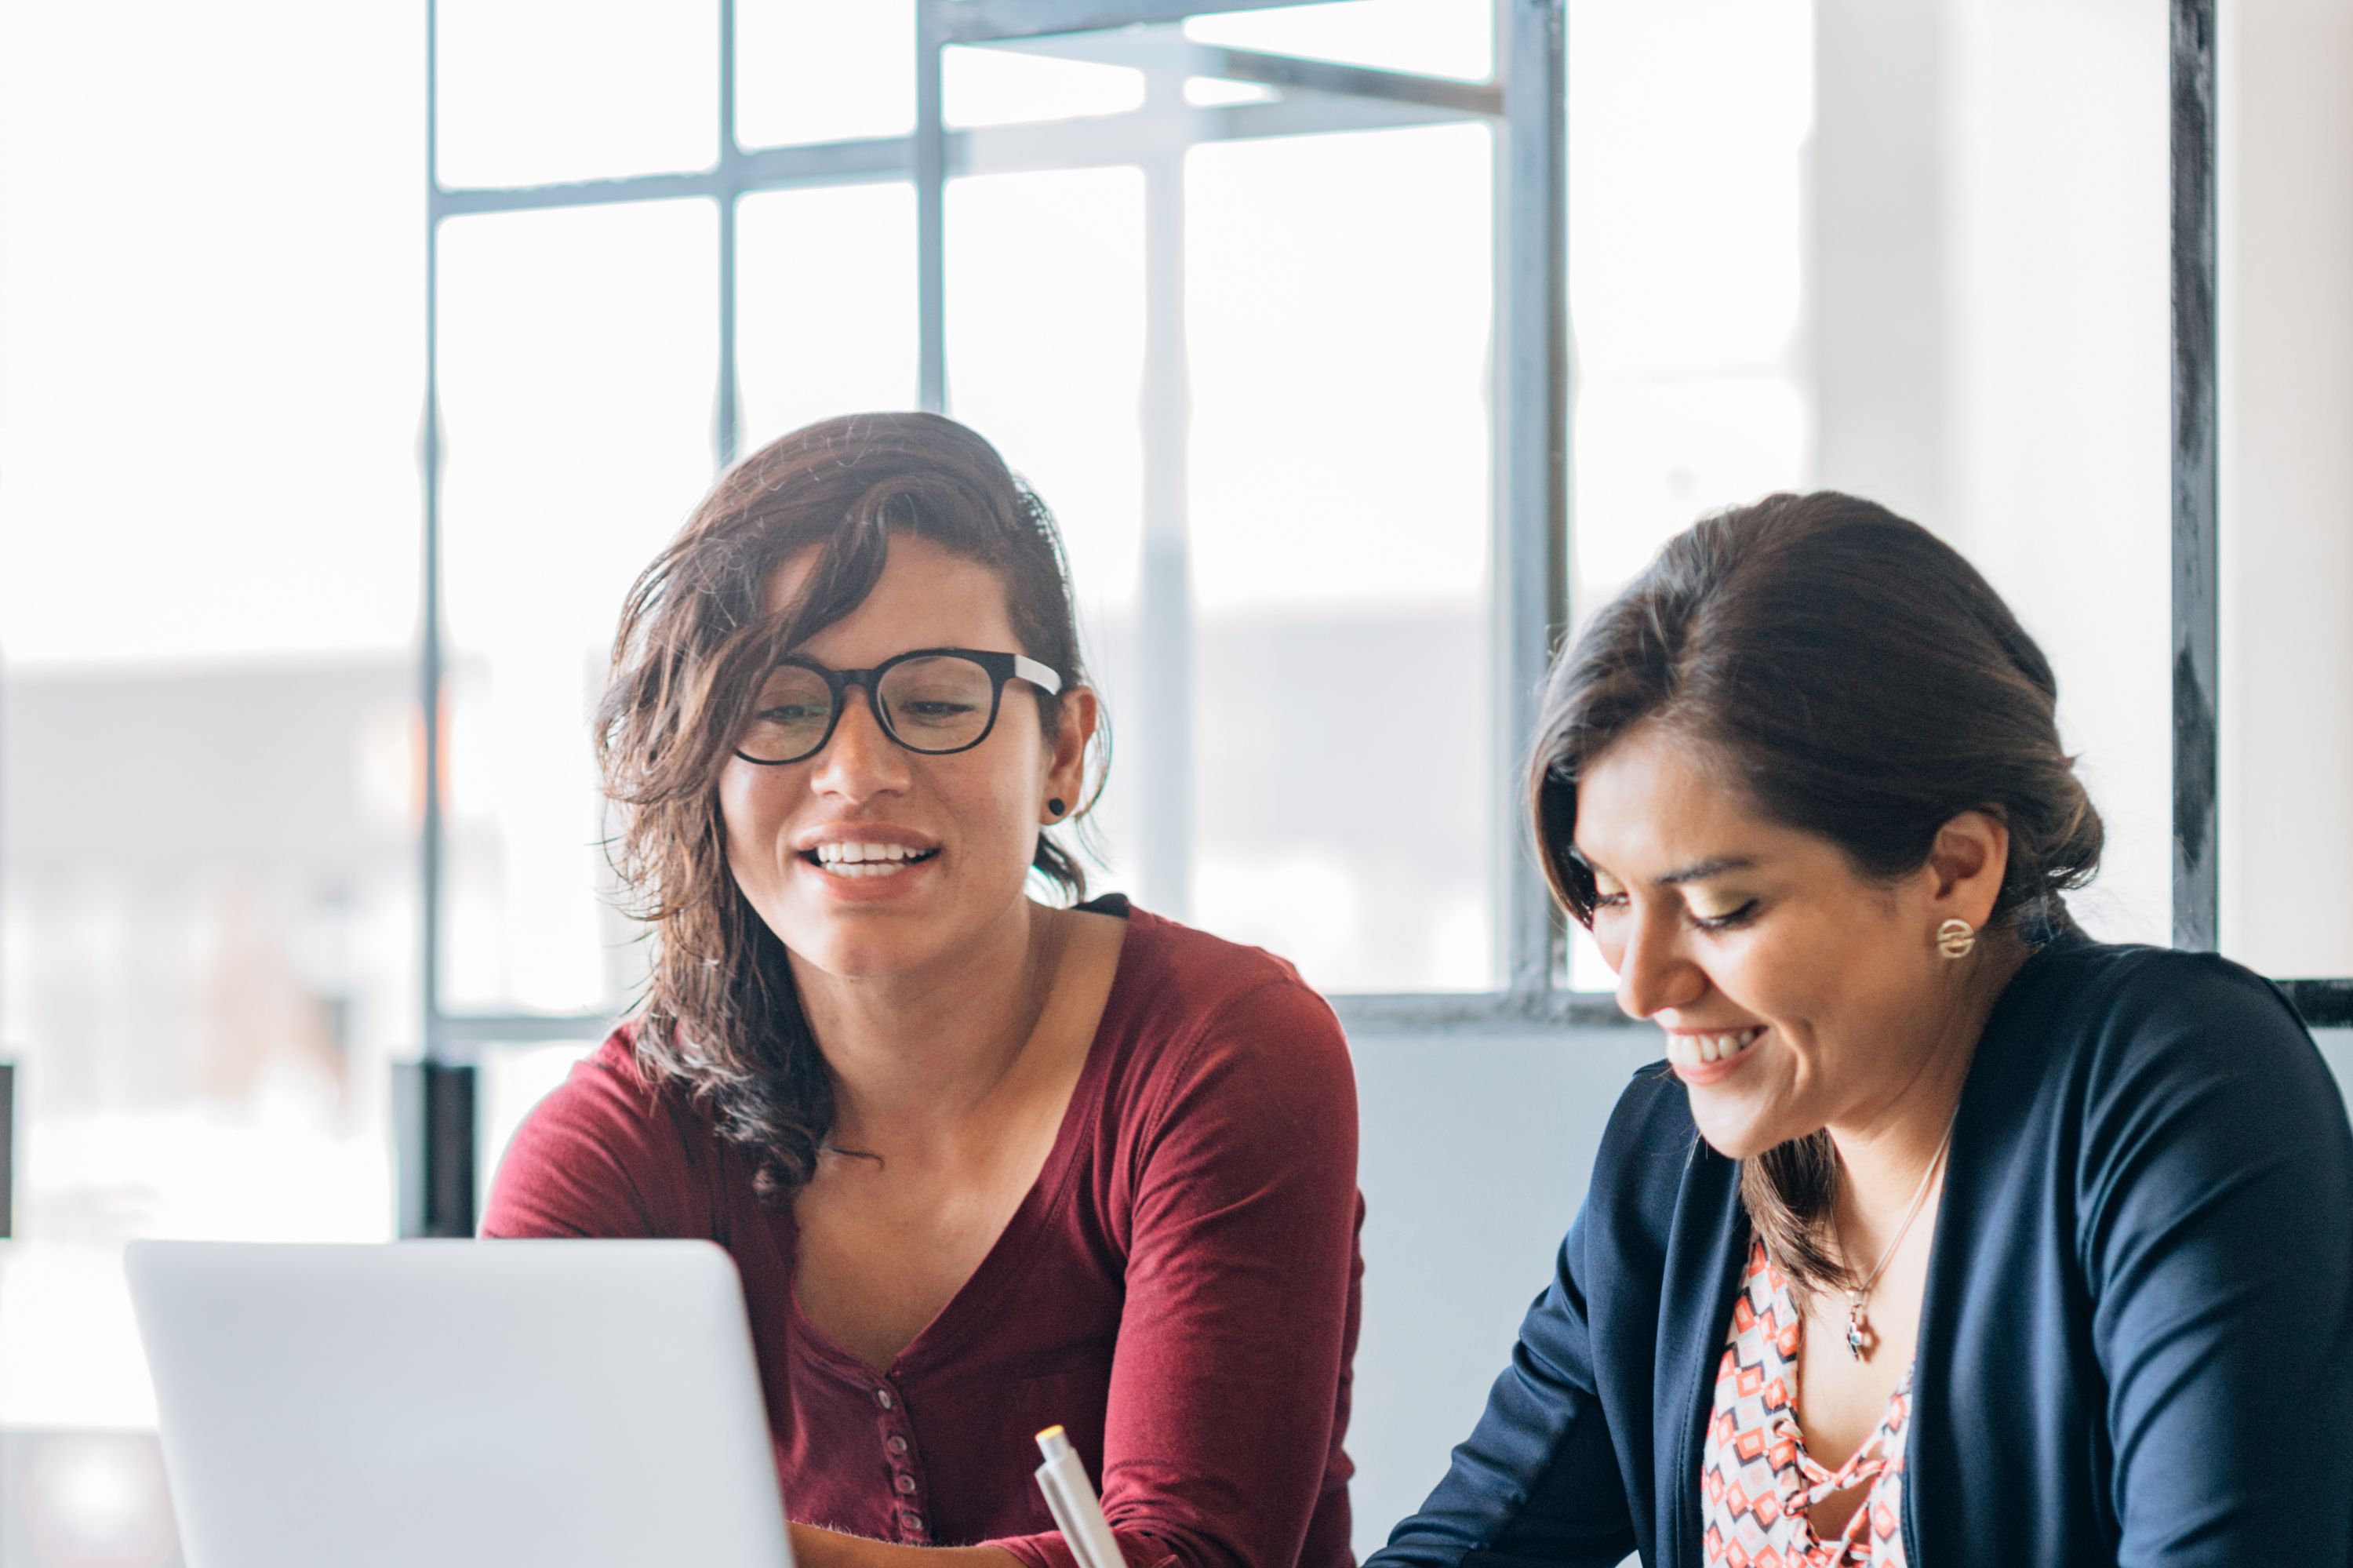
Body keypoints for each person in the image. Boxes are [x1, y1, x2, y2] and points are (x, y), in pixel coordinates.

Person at [1368, 492, 2353, 1566]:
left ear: (1955, 869)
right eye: (1606, 893)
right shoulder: (1670, 1164)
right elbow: (1470, 1544)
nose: (1640, 987)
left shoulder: (2180, 1091)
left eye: (1721, 908)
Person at [483, 412, 1362, 1568]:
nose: (856, 774)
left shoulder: (1224, 1051)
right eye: (783, 706)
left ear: (1063, 751)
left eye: (940, 702)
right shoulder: (622, 1139)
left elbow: (1193, 1558)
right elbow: (498, 1510)